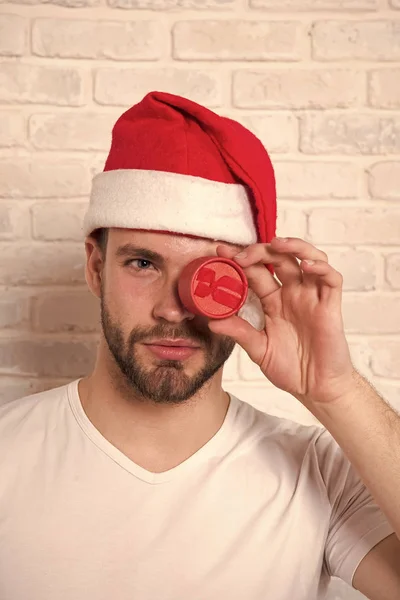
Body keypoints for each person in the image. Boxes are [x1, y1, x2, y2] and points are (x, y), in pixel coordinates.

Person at [0, 91, 399, 600]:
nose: (174, 309)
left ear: (248, 285)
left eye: (209, 276)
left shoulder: (319, 474)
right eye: (143, 263)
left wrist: (336, 391)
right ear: (96, 268)